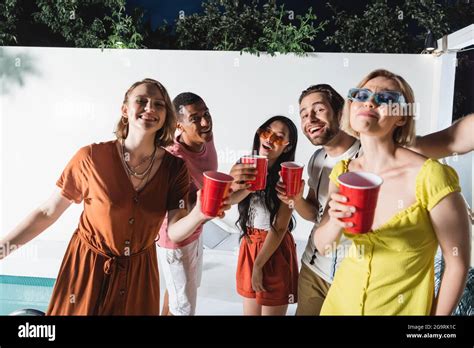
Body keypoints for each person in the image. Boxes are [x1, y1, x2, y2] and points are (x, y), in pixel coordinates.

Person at [0, 78, 230, 315]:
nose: (150, 108)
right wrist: (3, 248)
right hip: (87, 270)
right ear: (125, 110)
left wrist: (200, 213)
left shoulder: (174, 169)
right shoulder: (91, 157)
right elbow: (48, 211)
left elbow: (173, 232)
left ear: (166, 115)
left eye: (159, 104)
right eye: (142, 101)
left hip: (139, 275)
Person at [278, 84, 473, 316]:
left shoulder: (377, 148)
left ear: (342, 113)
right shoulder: (318, 160)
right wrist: (296, 200)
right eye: (303, 114)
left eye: (319, 109)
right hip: (316, 269)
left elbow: (454, 140)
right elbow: (315, 214)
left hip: (370, 282)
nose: (310, 118)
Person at [230, 116, 299, 315]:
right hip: (249, 244)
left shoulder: (288, 176)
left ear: (286, 147)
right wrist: (251, 186)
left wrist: (258, 265)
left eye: (278, 137)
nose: (269, 139)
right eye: (267, 132)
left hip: (273, 249)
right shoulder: (244, 164)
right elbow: (230, 200)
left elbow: (279, 227)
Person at [157, 92, 217, 316]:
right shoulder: (174, 159)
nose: (205, 122)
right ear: (178, 126)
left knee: (177, 297)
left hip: (196, 231)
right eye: (195, 118)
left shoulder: (206, 137)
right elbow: (176, 214)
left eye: (206, 114)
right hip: (176, 241)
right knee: (184, 309)